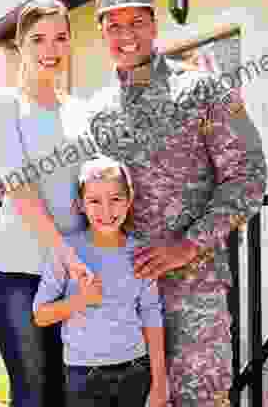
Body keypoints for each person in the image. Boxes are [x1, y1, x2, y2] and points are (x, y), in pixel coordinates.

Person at [82, 0, 268, 407]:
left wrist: (188, 245)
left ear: (154, 25)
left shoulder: (203, 91)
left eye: (137, 22)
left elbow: (248, 176)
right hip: (123, 297)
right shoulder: (98, 112)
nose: (126, 34)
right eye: (114, 26)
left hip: (194, 293)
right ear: (102, 33)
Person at [0, 0, 95, 407]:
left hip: (74, 275)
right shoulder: (4, 104)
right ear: (21, 45)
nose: (51, 50)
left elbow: (90, 190)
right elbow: (20, 187)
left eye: (60, 38)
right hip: (20, 272)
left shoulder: (81, 110)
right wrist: (65, 251)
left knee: (71, 395)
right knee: (33, 394)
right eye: (39, 39)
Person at [33, 156, 168, 407]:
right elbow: (41, 316)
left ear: (129, 200)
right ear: (81, 205)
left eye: (116, 199)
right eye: (95, 201)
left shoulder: (140, 254)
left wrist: (160, 382)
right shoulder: (68, 252)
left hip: (135, 371)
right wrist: (81, 300)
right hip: (83, 376)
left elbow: (151, 315)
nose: (106, 211)